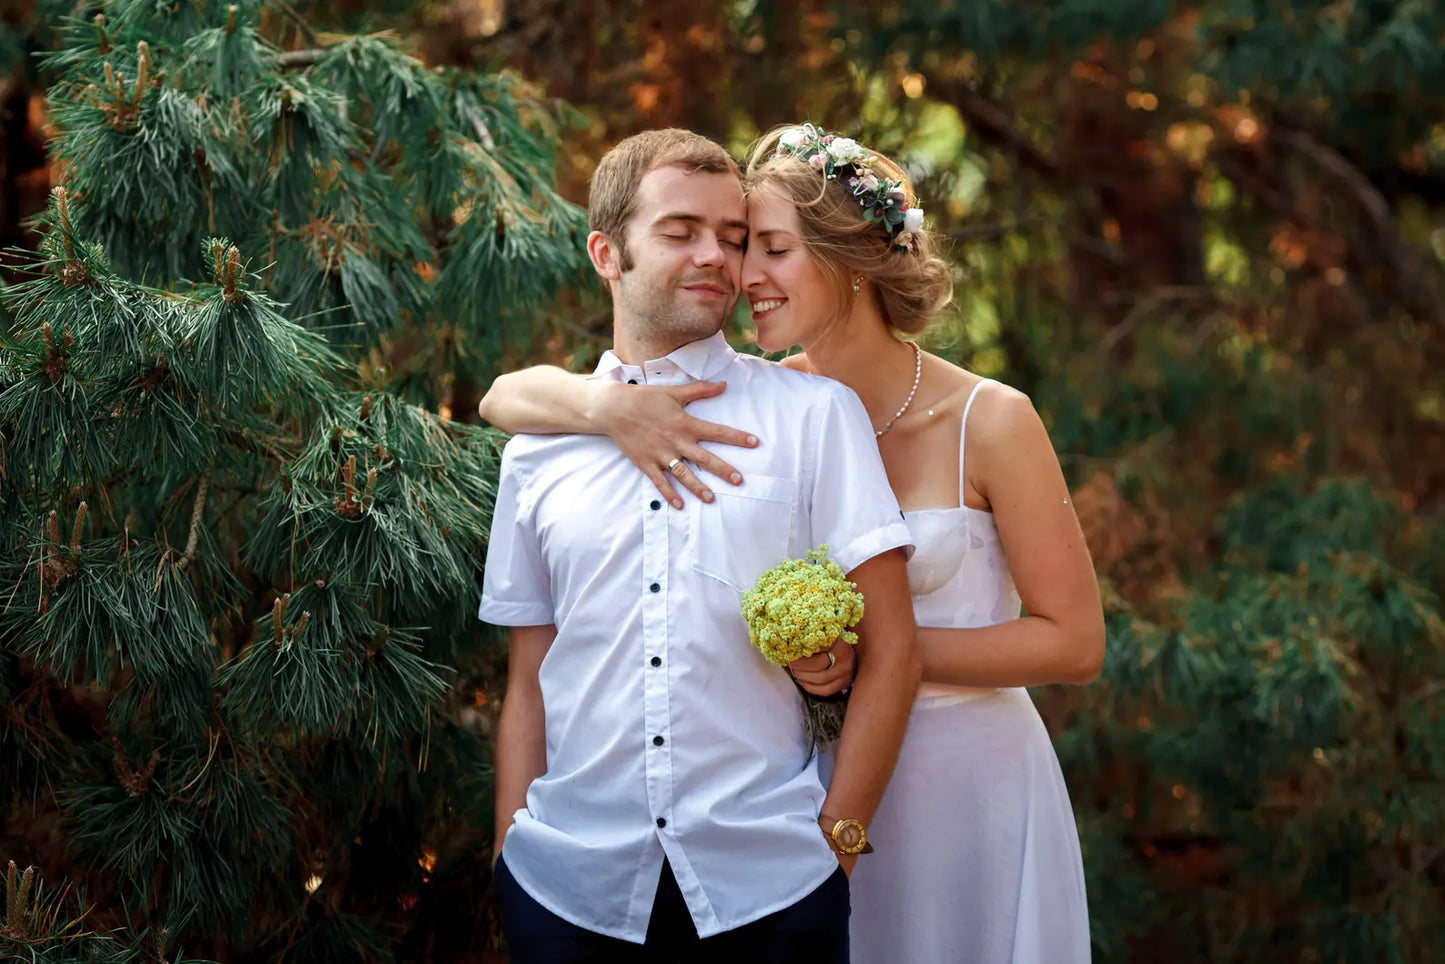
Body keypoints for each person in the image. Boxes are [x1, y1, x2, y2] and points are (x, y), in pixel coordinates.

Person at [478, 124, 1105, 964]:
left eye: (762, 247)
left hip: (957, 782)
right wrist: (606, 408)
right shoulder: (752, 408)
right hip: (806, 781)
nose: (739, 273)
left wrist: (872, 655)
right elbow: (508, 399)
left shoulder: (959, 419)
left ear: (846, 260)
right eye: (740, 247)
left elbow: (1072, 641)